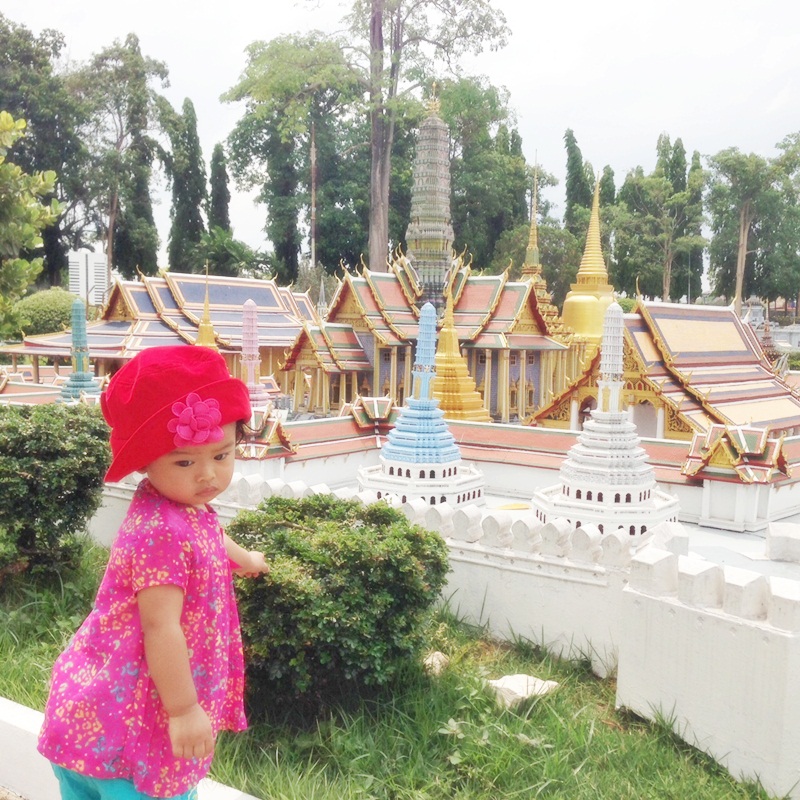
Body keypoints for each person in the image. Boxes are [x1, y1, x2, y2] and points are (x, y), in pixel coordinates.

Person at [38, 346, 270, 800]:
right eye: (184, 461)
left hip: (94, 722)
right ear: (144, 460)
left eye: (222, 455)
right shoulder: (161, 532)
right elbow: (160, 627)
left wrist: (247, 560)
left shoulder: (177, 507)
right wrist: (184, 710)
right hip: (133, 734)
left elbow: (211, 537)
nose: (207, 475)